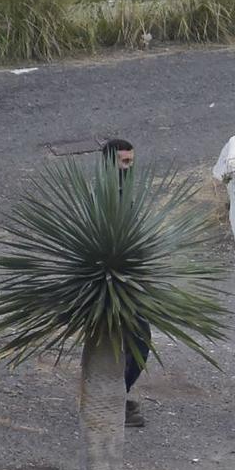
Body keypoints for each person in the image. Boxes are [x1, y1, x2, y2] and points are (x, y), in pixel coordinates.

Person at [104, 138, 150, 428]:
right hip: (107, 282)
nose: (129, 167)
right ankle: (110, 399)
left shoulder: (126, 191)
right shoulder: (104, 194)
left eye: (131, 162)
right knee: (132, 339)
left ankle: (115, 395)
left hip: (128, 279)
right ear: (109, 162)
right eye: (124, 162)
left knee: (137, 339)